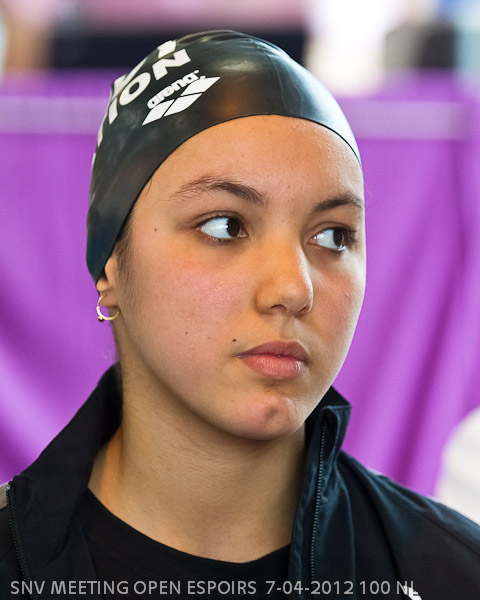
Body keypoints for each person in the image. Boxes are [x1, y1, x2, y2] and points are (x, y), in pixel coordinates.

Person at [0, 30, 479, 600]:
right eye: (225, 226)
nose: (293, 288)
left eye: (332, 235)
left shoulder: (450, 575)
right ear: (110, 265)